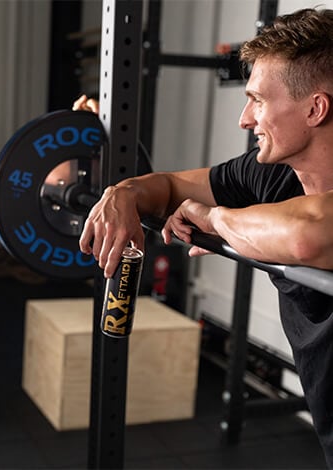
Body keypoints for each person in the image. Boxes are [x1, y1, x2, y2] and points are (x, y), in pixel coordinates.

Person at [77, 7, 333, 468]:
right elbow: (169, 186)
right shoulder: (271, 176)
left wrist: (214, 219)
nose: (244, 118)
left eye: (257, 99)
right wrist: (122, 192)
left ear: (316, 108)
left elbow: (305, 237)